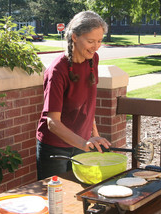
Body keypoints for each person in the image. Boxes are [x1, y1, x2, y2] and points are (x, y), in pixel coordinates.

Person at [36, 11, 111, 180]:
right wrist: (83, 143)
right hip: (55, 147)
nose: (96, 46)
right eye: (91, 41)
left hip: (81, 143)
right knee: (56, 197)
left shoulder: (93, 59)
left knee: (80, 195)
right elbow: (52, 122)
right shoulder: (57, 70)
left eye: (99, 41)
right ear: (75, 37)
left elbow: (88, 104)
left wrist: (94, 135)